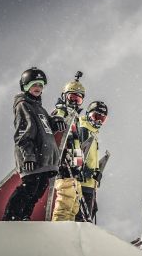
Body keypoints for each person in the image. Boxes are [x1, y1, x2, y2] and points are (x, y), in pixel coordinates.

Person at [2, 67, 66, 221]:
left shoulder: (40, 109)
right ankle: (11, 217)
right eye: (34, 85)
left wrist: (54, 121)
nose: (38, 88)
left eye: (41, 85)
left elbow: (45, 128)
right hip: (34, 158)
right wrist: (28, 156)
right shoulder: (23, 105)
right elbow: (23, 132)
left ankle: (24, 216)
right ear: (25, 86)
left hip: (45, 160)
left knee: (38, 191)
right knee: (29, 188)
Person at [51, 71, 90, 221]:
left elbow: (76, 145)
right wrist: (62, 156)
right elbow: (56, 132)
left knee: (74, 206)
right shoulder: (61, 112)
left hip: (73, 170)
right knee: (65, 203)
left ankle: (68, 232)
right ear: (64, 96)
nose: (74, 102)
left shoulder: (75, 119)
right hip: (64, 168)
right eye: (71, 97)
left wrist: (78, 166)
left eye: (78, 99)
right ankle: (59, 232)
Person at [75, 101, 108, 223]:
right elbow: (76, 150)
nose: (99, 121)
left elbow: (90, 158)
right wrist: (83, 170)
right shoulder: (82, 128)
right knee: (82, 217)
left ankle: (86, 236)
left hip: (90, 184)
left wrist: (97, 172)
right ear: (88, 114)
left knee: (91, 211)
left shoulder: (91, 131)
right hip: (82, 184)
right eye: (96, 117)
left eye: (102, 119)